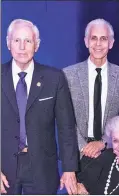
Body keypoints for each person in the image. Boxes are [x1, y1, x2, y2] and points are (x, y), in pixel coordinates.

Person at [1, 19, 79, 195]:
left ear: (36, 45)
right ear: (8, 43)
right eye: (17, 40)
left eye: (28, 41)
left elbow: (66, 127)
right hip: (3, 167)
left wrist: (69, 169)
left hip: (42, 168)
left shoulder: (54, 78)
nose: (22, 47)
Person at [63, 18, 119, 169]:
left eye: (103, 39)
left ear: (111, 43)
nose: (98, 44)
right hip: (77, 155)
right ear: (86, 41)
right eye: (93, 38)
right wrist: (85, 147)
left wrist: (103, 143)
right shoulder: (68, 75)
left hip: (112, 154)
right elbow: (64, 118)